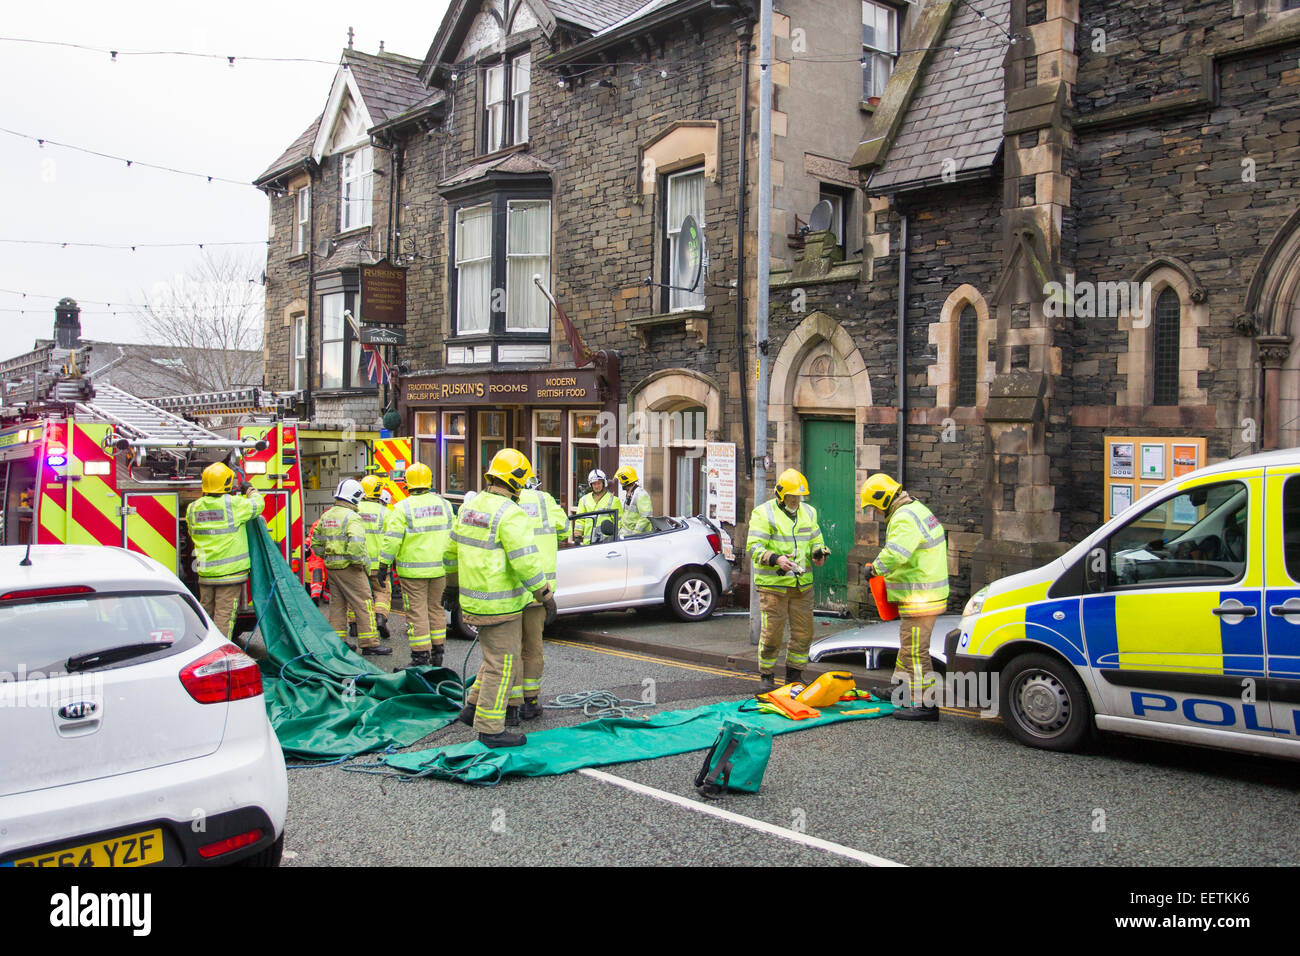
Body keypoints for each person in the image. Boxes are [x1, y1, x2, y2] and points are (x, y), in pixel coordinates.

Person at [448, 449, 556, 748]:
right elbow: (526, 562)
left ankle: (472, 707)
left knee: (492, 658)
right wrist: (544, 596)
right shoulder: (511, 513)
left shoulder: (470, 507)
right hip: (501, 605)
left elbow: (450, 551)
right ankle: (490, 729)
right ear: (516, 480)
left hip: (472, 601)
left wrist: (450, 585)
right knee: (503, 665)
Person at [860, 473, 949, 721]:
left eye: (875, 508)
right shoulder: (917, 509)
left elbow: (895, 554)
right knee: (908, 645)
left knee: (916, 651)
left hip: (920, 596)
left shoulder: (903, 518)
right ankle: (899, 690)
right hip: (925, 594)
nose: (876, 513)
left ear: (884, 499)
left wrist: (874, 569)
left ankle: (926, 705)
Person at [747, 468, 828, 692]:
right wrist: (775, 559)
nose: (796, 501)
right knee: (772, 633)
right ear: (781, 496)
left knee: (804, 633)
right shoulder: (763, 513)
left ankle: (795, 676)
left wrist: (819, 553)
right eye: (792, 497)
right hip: (774, 586)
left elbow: (815, 540)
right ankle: (767, 676)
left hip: (802, 585)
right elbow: (753, 547)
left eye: (799, 497)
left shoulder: (809, 513)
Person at [379, 463, 454, 668]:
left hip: (413, 572)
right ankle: (438, 653)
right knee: (436, 609)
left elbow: (392, 539)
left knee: (417, 612)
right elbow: (454, 535)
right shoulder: (445, 505)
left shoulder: (403, 507)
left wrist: (383, 564)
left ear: (407, 483)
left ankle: (420, 657)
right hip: (440, 569)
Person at [511, 476, 569, 722]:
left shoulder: (507, 503)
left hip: (511, 591)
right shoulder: (545, 501)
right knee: (532, 649)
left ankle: (509, 706)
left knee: (509, 649)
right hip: (539, 592)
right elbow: (565, 527)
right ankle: (530, 702)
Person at [185, 462, 264, 639]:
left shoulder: (193, 508)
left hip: (205, 573)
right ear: (227, 483)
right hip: (230, 574)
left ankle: (202, 646)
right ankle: (219, 652)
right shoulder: (234, 504)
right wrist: (251, 491)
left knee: (205, 614)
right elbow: (258, 505)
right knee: (224, 615)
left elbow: (191, 532)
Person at [315, 479, 390, 657]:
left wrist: (326, 556)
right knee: (364, 603)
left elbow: (316, 542)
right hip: (350, 568)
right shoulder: (352, 517)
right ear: (355, 497)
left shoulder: (327, 515)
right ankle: (370, 643)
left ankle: (338, 644)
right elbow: (356, 544)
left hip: (332, 568)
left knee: (337, 605)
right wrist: (358, 563)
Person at [357, 475, 397, 639]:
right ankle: (380, 617)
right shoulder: (386, 513)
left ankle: (354, 625)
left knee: (359, 594)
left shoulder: (354, 509)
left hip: (358, 562)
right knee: (382, 592)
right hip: (379, 564)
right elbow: (392, 538)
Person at [573, 468, 621, 544]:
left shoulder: (614, 500)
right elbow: (580, 521)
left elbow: (619, 523)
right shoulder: (583, 500)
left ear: (603, 483)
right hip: (588, 543)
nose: (596, 486)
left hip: (606, 543)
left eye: (599, 483)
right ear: (590, 485)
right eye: (594, 484)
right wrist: (577, 537)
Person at [615, 464, 653, 536]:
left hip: (637, 538)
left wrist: (635, 533)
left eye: (620, 480)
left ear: (625, 480)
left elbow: (646, 517)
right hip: (627, 536)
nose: (620, 483)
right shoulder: (631, 493)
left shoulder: (641, 494)